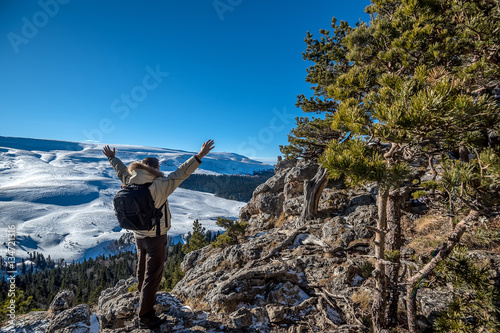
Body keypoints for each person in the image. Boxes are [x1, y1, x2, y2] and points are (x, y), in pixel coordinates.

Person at [102, 139, 215, 329]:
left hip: (138, 236)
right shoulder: (159, 185)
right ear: (155, 168)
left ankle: (142, 297)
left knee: (141, 269)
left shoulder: (130, 180)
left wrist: (112, 158)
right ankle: (146, 316)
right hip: (156, 236)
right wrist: (199, 156)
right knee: (153, 276)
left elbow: (121, 171)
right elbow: (182, 172)